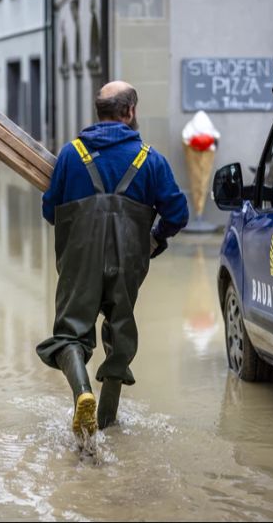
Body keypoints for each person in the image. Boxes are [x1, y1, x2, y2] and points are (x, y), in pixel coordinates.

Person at [37, 81, 189, 438]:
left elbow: (50, 211)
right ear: (130, 111)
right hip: (128, 262)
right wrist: (154, 239)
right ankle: (106, 422)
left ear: (99, 111)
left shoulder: (71, 155)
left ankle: (82, 394)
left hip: (79, 260)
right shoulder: (150, 159)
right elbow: (178, 214)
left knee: (70, 332)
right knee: (120, 334)